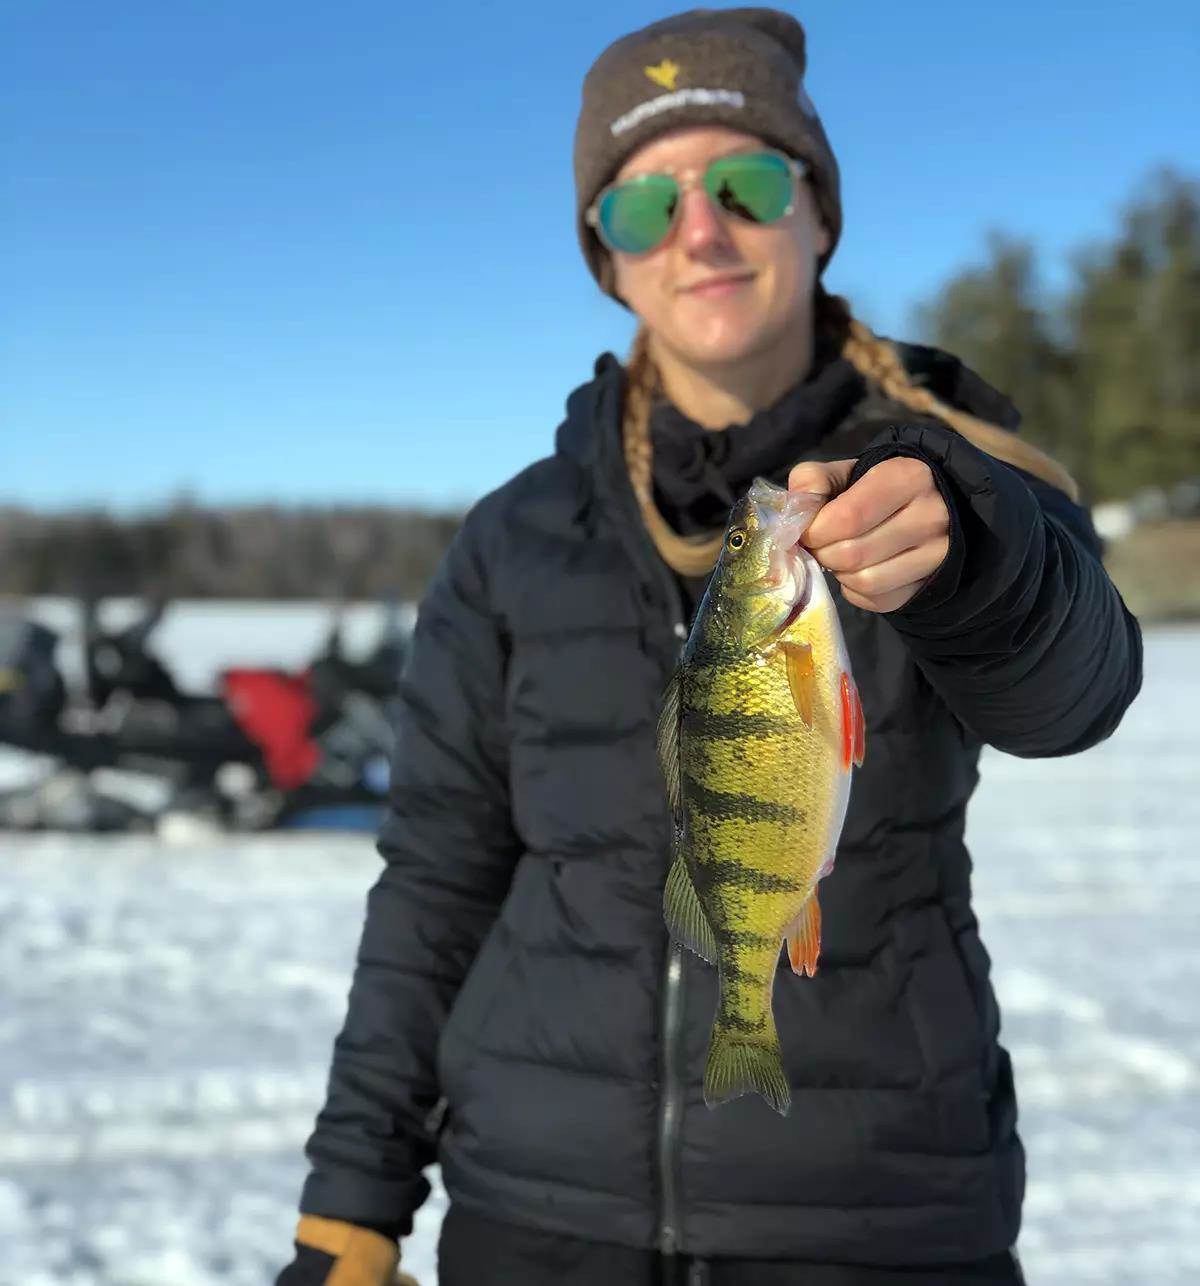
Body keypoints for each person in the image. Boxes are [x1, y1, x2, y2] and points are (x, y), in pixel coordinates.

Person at [275, 9, 1143, 1285]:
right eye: (642, 209)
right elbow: (437, 881)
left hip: (880, 1218)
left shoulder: (957, 481)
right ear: (607, 259)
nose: (699, 231)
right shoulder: (513, 538)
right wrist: (352, 1201)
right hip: (532, 1213)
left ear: (818, 214)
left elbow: (1079, 694)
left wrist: (974, 567)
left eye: (744, 183)